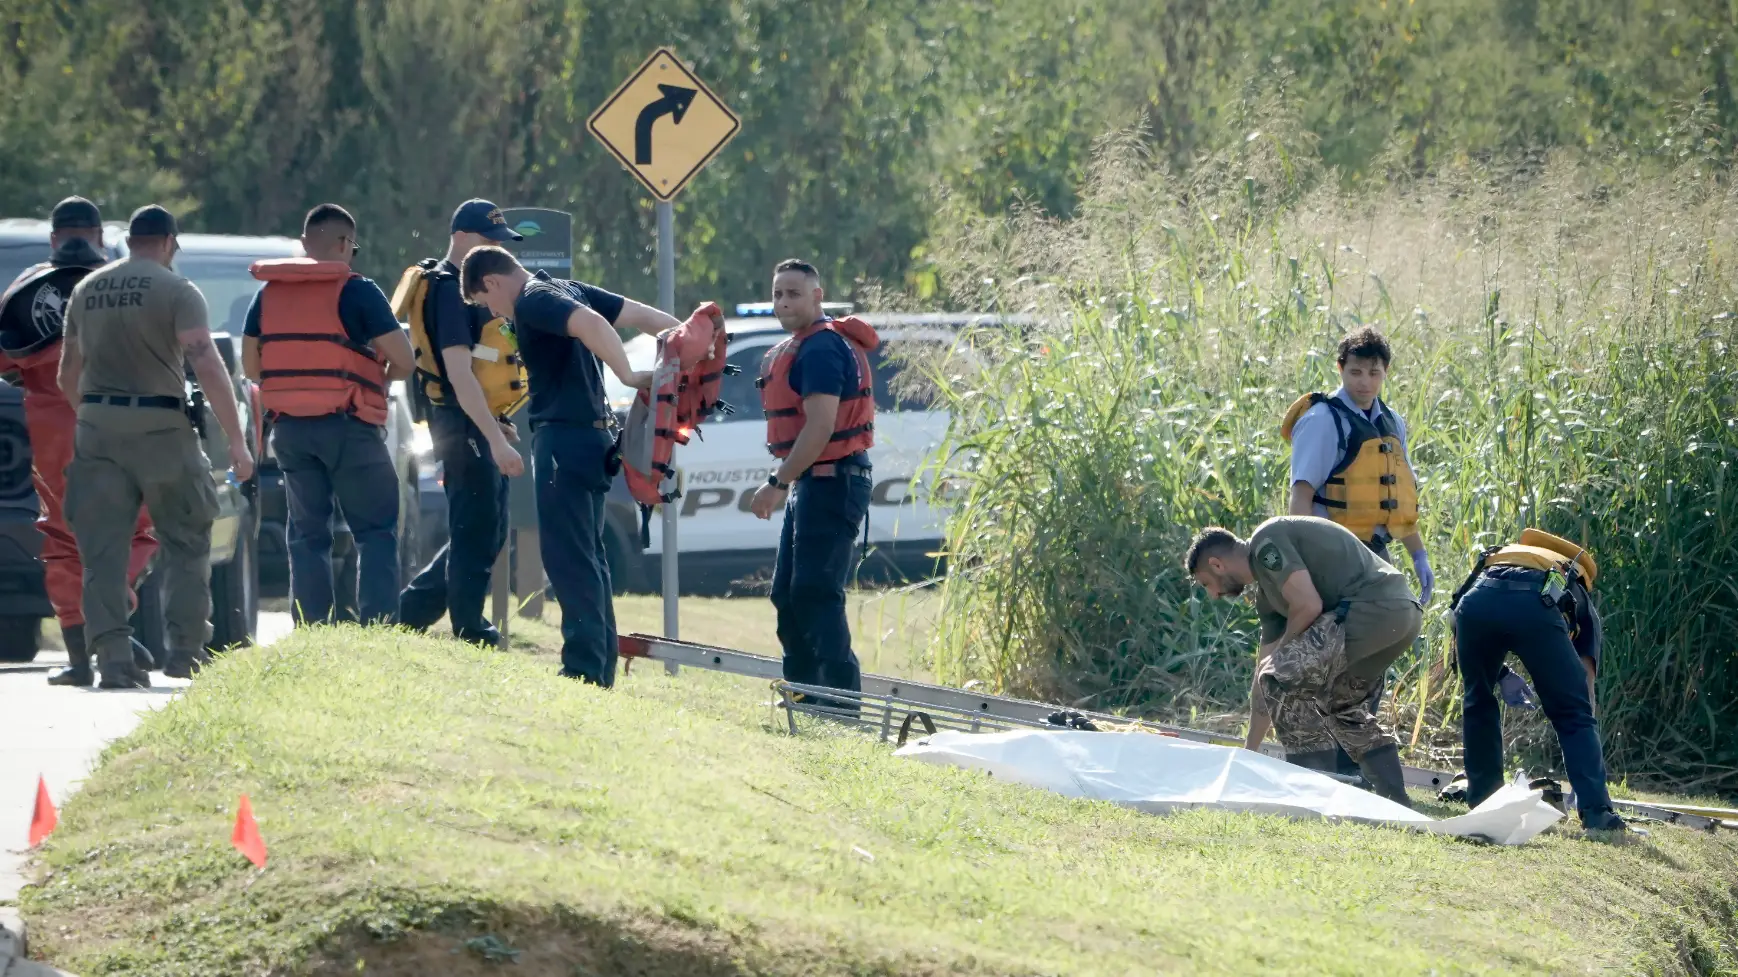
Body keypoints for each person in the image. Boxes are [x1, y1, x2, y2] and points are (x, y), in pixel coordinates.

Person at [58, 205, 254, 686]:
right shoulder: (177, 290)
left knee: (102, 550)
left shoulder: (86, 290)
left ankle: (114, 659)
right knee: (186, 540)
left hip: (97, 426)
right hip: (162, 429)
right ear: (169, 242)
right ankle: (186, 650)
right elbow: (205, 362)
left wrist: (92, 417)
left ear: (131, 241)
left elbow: (67, 374)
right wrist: (236, 440)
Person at [461, 245, 670, 686]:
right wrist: (693, 340)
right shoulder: (566, 288)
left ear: (493, 282)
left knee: (568, 558)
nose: (495, 314)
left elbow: (594, 324)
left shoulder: (534, 299)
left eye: (487, 302)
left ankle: (583, 670)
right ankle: (600, 663)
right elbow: (642, 316)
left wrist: (630, 376)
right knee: (589, 556)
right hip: (592, 439)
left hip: (565, 440)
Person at [0, 197, 160, 685]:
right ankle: (110, 626)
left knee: (63, 540)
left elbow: (6, 365)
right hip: (122, 426)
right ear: (100, 237)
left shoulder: (24, 291)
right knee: (133, 532)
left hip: (52, 435)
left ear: (53, 238)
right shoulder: (129, 285)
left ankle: (79, 658)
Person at [241, 204, 415, 626]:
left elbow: (251, 368)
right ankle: (376, 626)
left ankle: (312, 626)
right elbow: (405, 360)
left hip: (292, 434)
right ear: (343, 243)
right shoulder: (359, 291)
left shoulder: (268, 296)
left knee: (306, 535)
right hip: (349, 427)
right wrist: (379, 379)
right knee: (375, 531)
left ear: (304, 244)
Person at [1185, 516, 1422, 807]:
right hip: (1401, 617)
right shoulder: (1268, 598)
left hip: (1373, 608)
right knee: (1341, 706)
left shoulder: (1266, 541)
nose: (1214, 594)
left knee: (1281, 673)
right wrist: (1249, 752)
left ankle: (1309, 792)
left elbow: (1309, 605)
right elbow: (1264, 676)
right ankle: (1394, 798)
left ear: (1217, 564)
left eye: (1207, 584)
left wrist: (1281, 657)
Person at [1280, 326, 1432, 777]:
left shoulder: (1391, 422)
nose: (1364, 382)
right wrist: (1305, 563)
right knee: (1326, 659)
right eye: (1355, 371)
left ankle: (1351, 763)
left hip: (1375, 557)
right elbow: (1301, 497)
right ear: (1340, 369)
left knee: (1370, 657)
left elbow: (1398, 502)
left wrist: (1418, 555)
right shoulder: (1323, 420)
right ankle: (1317, 764)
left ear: (1385, 374)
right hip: (1332, 556)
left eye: (1374, 372)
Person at [742, 259, 878, 710]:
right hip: (812, 483)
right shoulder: (798, 347)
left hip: (833, 482)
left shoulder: (820, 349)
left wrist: (777, 482)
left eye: (794, 293)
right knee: (788, 592)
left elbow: (820, 427)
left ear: (817, 296)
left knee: (816, 592)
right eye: (778, 293)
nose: (783, 301)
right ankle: (802, 695)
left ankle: (840, 703)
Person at [397, 200, 528, 647]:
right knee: (474, 526)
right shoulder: (448, 291)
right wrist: (492, 436)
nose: (496, 250)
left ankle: (408, 615)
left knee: (487, 527)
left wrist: (496, 423)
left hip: (479, 418)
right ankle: (471, 629)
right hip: (459, 420)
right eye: (489, 240)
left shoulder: (465, 286)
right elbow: (458, 370)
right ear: (461, 238)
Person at [1448, 529, 1626, 833]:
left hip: (1477, 600)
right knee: (1573, 713)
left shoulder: (1499, 556)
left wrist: (1499, 675)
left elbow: (1454, 617)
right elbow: (1585, 686)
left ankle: (1485, 804)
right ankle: (1598, 815)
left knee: (1477, 700)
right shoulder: (1575, 584)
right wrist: (1581, 723)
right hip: (1536, 605)